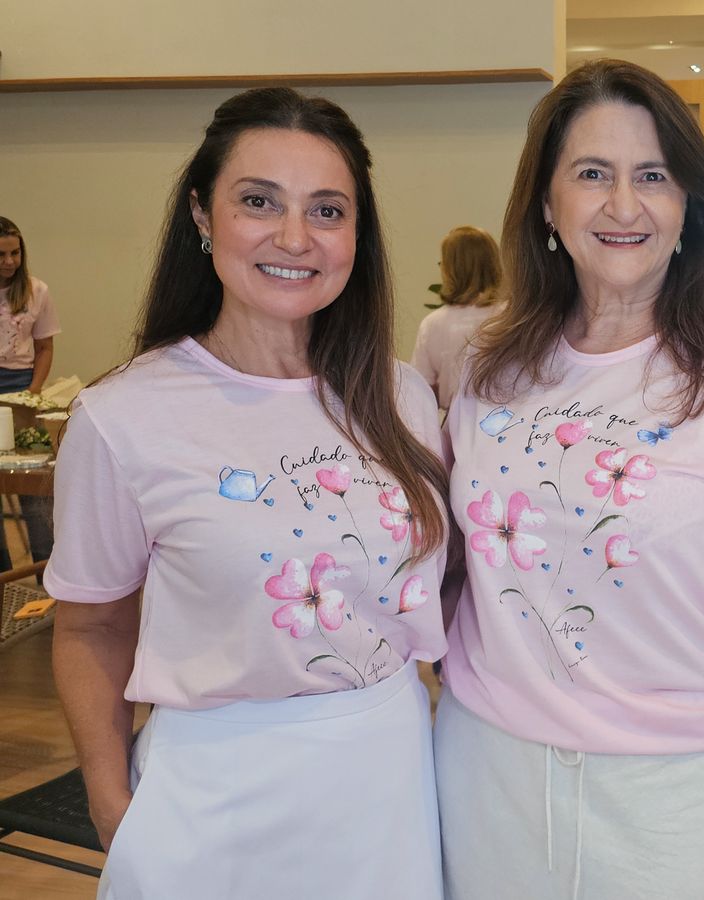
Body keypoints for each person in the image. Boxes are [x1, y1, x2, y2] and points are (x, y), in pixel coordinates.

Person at [45, 88, 449, 899]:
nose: (294, 237)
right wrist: (112, 804)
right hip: (211, 792)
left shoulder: (401, 399)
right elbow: (89, 625)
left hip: (389, 781)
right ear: (202, 215)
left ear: (357, 235)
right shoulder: (124, 416)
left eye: (327, 210)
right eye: (259, 201)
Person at [434, 59, 704, 900]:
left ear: (688, 207)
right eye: (591, 174)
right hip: (484, 766)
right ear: (546, 203)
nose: (623, 204)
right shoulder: (489, 366)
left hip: (679, 791)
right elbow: (460, 564)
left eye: (653, 176)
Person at [0, 216, 60, 570]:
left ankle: (44, 572)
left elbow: (45, 348)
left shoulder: (37, 290)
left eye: (15, 253)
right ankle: (5, 575)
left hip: (21, 387)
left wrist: (33, 391)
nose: (9, 261)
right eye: (1, 254)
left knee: (29, 485)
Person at [411, 225, 503, 411]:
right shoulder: (511, 316)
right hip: (505, 423)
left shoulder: (433, 324)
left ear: (448, 268)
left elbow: (422, 392)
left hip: (454, 426)